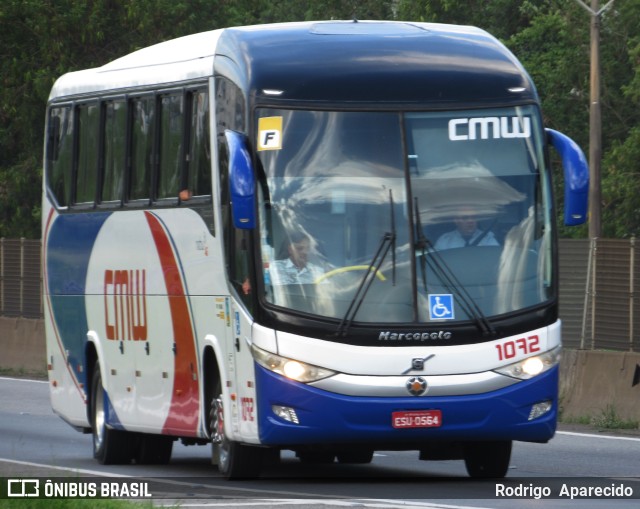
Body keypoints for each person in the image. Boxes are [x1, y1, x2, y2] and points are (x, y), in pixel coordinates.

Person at [434, 207, 499, 250]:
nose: (470, 221)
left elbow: (495, 260)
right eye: (465, 218)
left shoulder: (488, 239)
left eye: (474, 217)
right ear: (456, 220)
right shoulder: (445, 240)